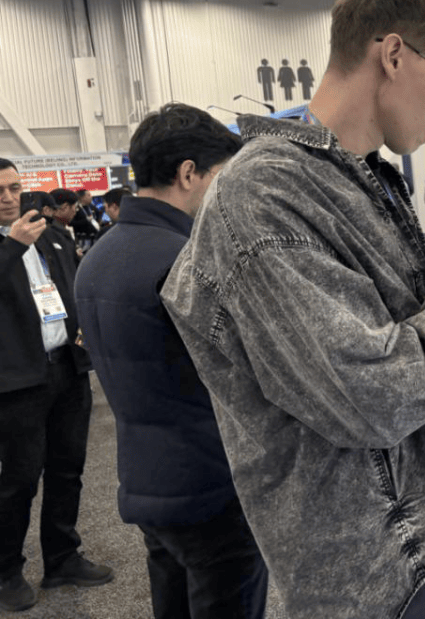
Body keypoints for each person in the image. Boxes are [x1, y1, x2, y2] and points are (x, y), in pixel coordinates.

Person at [160, 0, 425, 619]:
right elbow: (380, 397)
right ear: (394, 54)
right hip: (390, 570)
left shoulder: (357, 179)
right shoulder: (263, 196)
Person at [74, 104, 268, 619]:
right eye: (221, 178)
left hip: (146, 476)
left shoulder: (97, 258)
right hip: (211, 482)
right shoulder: (187, 261)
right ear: (188, 173)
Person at [0, 159, 113, 613]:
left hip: (66, 368)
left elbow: (70, 290)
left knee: (68, 469)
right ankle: (6, 571)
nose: (8, 197)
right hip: (16, 381)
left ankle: (62, 557)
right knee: (19, 480)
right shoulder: (15, 242)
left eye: (14, 187)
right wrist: (11, 246)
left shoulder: (50, 236)